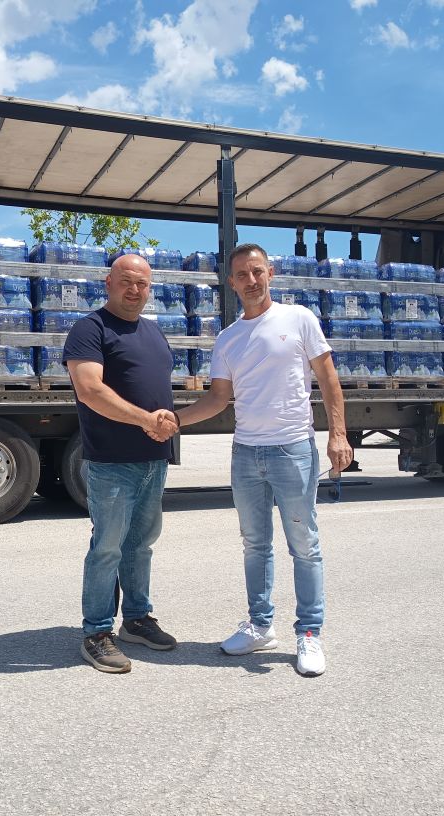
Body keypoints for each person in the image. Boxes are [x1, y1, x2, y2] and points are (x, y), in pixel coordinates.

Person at [175, 243, 353, 677]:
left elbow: (329, 378)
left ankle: (309, 633)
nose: (251, 281)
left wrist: (338, 434)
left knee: (304, 545)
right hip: (246, 453)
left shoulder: (299, 319)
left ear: (270, 273)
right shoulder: (228, 338)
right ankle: (259, 626)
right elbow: (218, 399)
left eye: (257, 272)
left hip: (293, 448)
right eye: (242, 275)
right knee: (255, 544)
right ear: (231, 283)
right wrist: (173, 421)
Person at [63, 253, 179, 674]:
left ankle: (136, 618)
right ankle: (96, 632)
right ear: (108, 283)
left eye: (142, 283)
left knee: (140, 545)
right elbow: (90, 390)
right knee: (108, 547)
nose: (135, 290)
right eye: (126, 281)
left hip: (153, 459)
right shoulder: (89, 329)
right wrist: (147, 420)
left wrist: (164, 423)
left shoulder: (153, 331)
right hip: (112, 461)